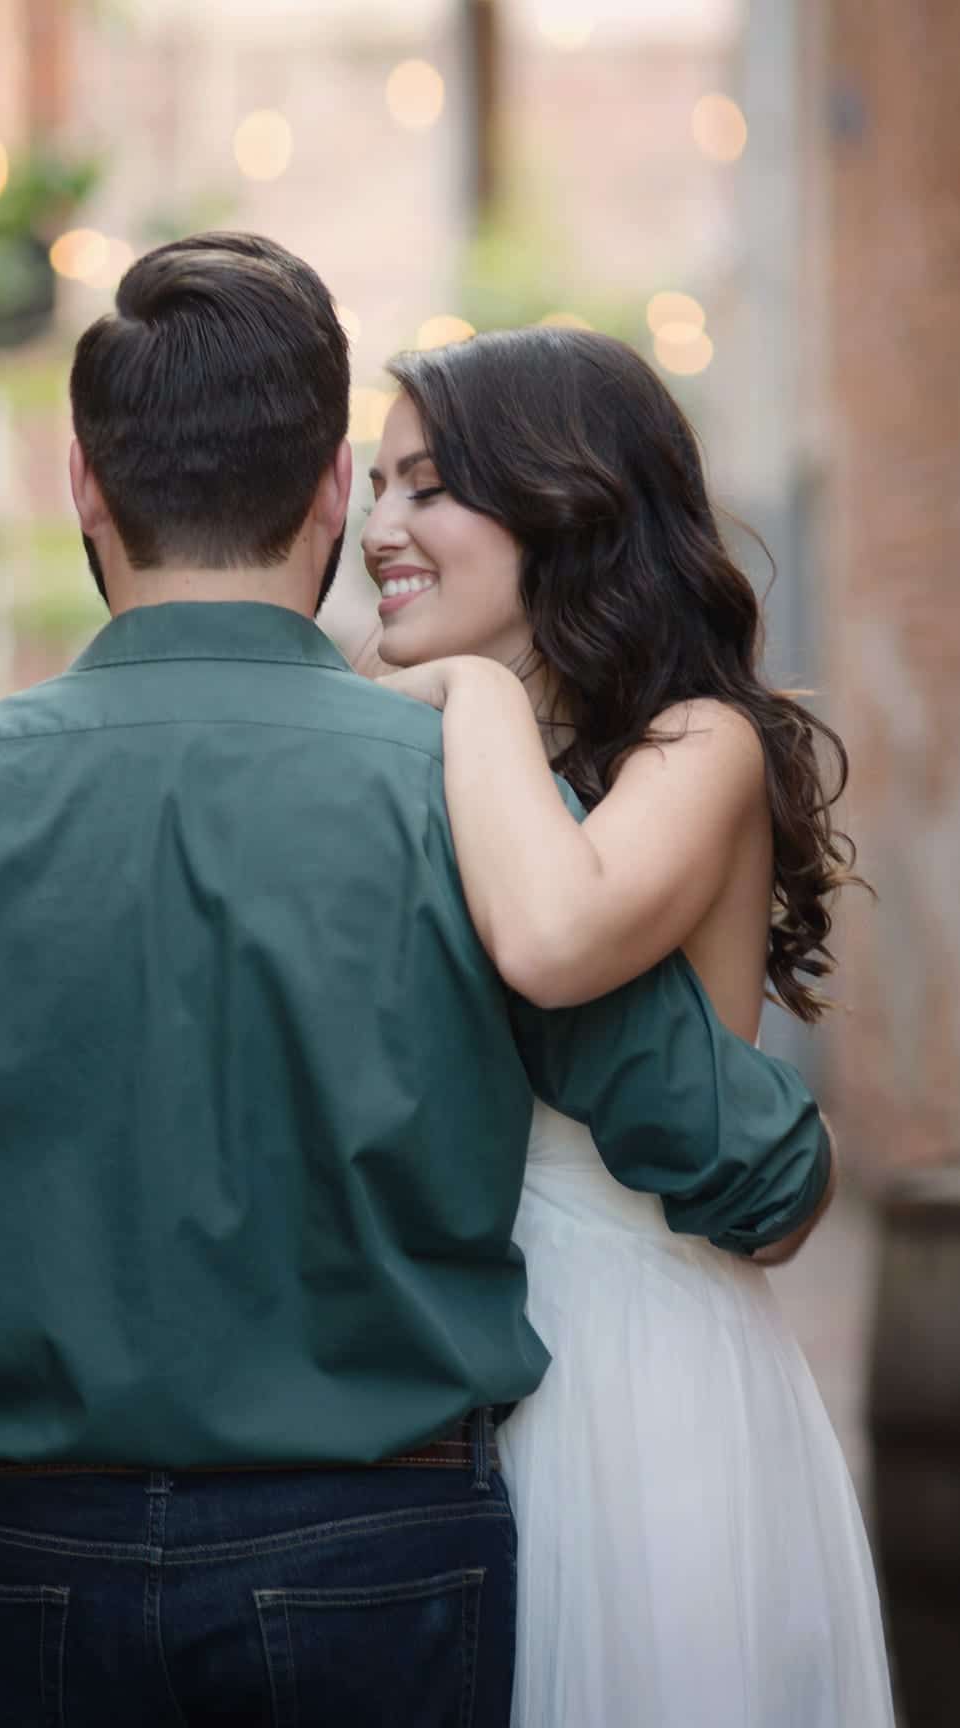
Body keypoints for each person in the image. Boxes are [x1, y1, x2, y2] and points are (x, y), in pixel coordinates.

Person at [0, 237, 831, 1728]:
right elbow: (739, 1166)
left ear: (83, 484)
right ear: (328, 485)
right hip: (384, 1554)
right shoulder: (464, 796)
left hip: (33, 1550)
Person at [359, 325, 895, 1727]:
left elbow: (549, 936)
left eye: (423, 484)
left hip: (628, 1358)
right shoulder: (401, 754)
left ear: (558, 497)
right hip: (439, 1355)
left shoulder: (695, 744)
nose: (377, 527)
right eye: (371, 488)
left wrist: (470, 691)